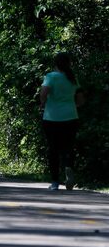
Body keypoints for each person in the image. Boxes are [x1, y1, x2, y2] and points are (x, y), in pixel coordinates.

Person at [39, 52, 84, 190]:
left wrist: (42, 103)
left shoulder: (51, 76)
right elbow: (81, 99)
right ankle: (69, 168)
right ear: (68, 63)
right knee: (68, 147)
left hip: (52, 118)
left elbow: (44, 92)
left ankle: (55, 182)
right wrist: (73, 106)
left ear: (55, 64)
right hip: (71, 117)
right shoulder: (72, 78)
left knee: (53, 149)